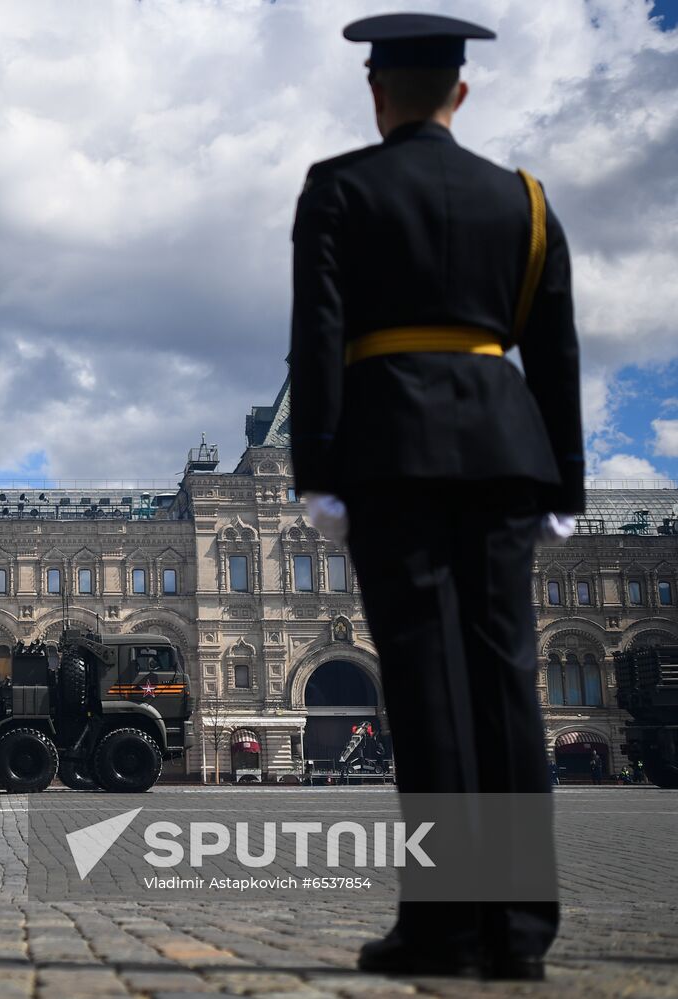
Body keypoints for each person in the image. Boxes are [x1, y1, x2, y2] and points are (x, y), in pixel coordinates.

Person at [290, 13, 582, 983]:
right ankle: (520, 931)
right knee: (506, 680)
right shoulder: (524, 201)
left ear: (376, 92)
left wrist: (316, 473)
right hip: (505, 452)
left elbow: (316, 337)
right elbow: (555, 351)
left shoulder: (340, 187)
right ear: (461, 92)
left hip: (393, 453)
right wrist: (566, 481)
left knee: (422, 684)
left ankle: (444, 924)